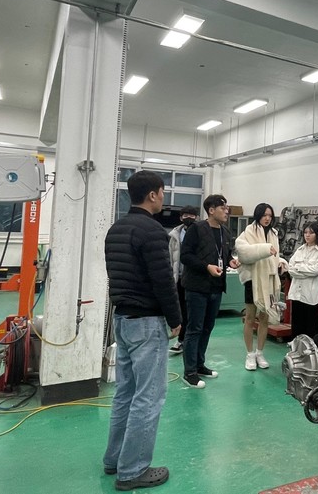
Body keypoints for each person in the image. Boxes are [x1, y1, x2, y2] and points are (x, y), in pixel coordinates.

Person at [103, 170, 181, 491]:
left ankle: (114, 459)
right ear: (152, 195)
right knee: (148, 397)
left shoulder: (116, 229)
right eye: (162, 192)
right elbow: (163, 280)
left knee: (126, 392)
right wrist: (175, 318)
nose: (163, 198)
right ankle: (133, 470)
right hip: (147, 322)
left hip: (122, 319)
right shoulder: (152, 231)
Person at [180, 194, 240, 389]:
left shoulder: (225, 232)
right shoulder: (196, 229)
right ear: (211, 210)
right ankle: (189, 372)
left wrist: (230, 261)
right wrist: (206, 267)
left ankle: (199, 364)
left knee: (207, 327)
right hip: (197, 287)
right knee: (194, 328)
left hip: (216, 287)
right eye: (223, 208)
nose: (227, 211)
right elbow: (185, 256)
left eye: (227, 208)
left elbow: (225, 254)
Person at [235, 202, 286, 371]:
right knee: (250, 317)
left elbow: (275, 255)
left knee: (265, 317)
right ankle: (249, 354)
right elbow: (243, 252)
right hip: (253, 280)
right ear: (258, 215)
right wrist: (265, 249)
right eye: (264, 215)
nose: (267, 218)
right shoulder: (248, 231)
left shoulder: (274, 233)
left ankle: (260, 352)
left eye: (270, 215)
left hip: (269, 280)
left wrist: (280, 262)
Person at [167, 205, 199, 355]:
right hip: (178, 277)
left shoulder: (200, 232)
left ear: (196, 217)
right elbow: (170, 256)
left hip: (193, 279)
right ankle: (181, 340)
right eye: (186, 215)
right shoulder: (174, 234)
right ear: (181, 218)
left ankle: (188, 341)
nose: (189, 218)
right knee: (180, 311)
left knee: (192, 312)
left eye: (192, 215)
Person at [287, 222, 318, 338]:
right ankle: (296, 347)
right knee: (296, 327)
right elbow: (290, 269)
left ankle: (310, 349)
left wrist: (299, 268)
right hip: (297, 294)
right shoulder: (299, 250)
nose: (307, 235)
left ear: (317, 234)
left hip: (311, 296)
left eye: (311, 233)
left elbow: (315, 271)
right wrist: (304, 271)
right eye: (305, 232)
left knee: (310, 328)